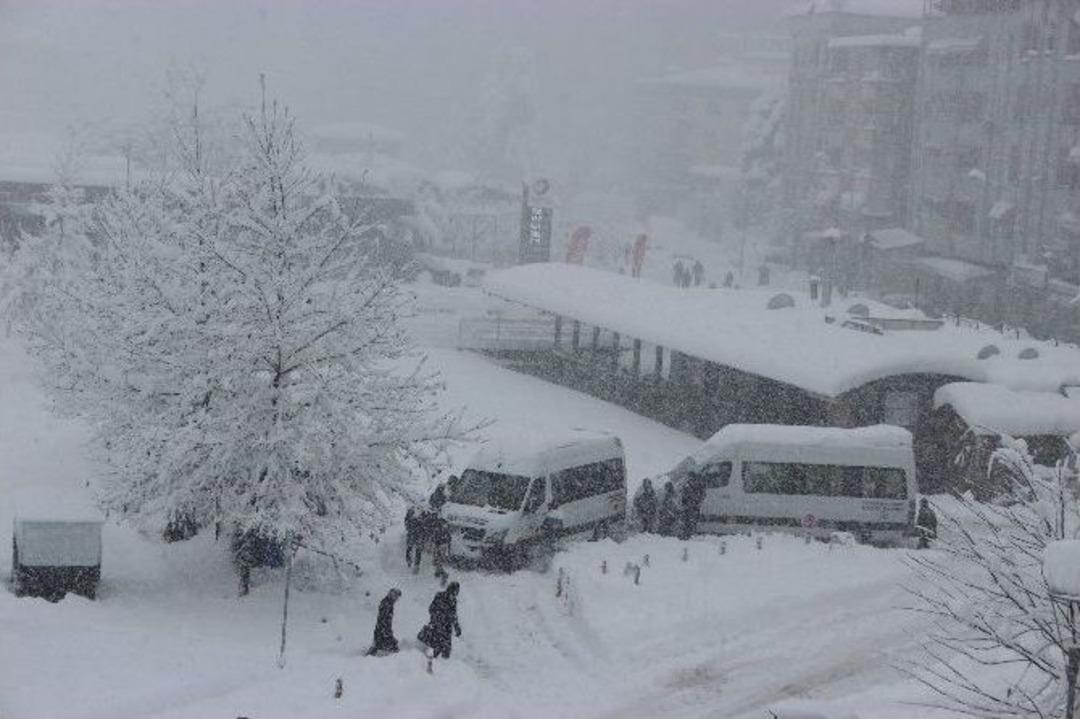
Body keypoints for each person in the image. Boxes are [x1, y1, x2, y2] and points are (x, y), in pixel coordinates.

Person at [419, 581, 462, 659]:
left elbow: (454, 615)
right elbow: (431, 608)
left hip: (447, 627)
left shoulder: (454, 601)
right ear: (449, 590)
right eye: (453, 592)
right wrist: (439, 615)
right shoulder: (439, 595)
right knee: (434, 644)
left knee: (446, 650)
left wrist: (457, 627)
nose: (454, 594)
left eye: (456, 592)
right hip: (436, 624)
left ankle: (444, 664)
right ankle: (428, 660)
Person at [366, 588, 402, 655]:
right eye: (396, 596)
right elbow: (383, 620)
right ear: (391, 595)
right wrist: (386, 633)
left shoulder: (387, 603)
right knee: (393, 649)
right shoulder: (387, 604)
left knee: (379, 646)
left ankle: (369, 655)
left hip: (382, 631)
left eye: (398, 597)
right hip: (383, 631)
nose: (397, 599)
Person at [680, 472, 707, 540]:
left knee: (690, 521)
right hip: (691, 507)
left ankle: (688, 535)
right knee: (689, 521)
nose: (689, 478)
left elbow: (702, 495)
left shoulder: (695, 485)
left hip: (692, 507)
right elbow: (683, 497)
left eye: (689, 477)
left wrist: (696, 502)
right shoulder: (689, 485)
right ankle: (688, 534)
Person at [431, 516, 452, 581]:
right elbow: (449, 539)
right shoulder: (445, 529)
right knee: (439, 559)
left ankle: (441, 573)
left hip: (440, 545)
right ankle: (439, 572)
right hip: (442, 544)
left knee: (438, 559)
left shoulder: (438, 529)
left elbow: (435, 537)